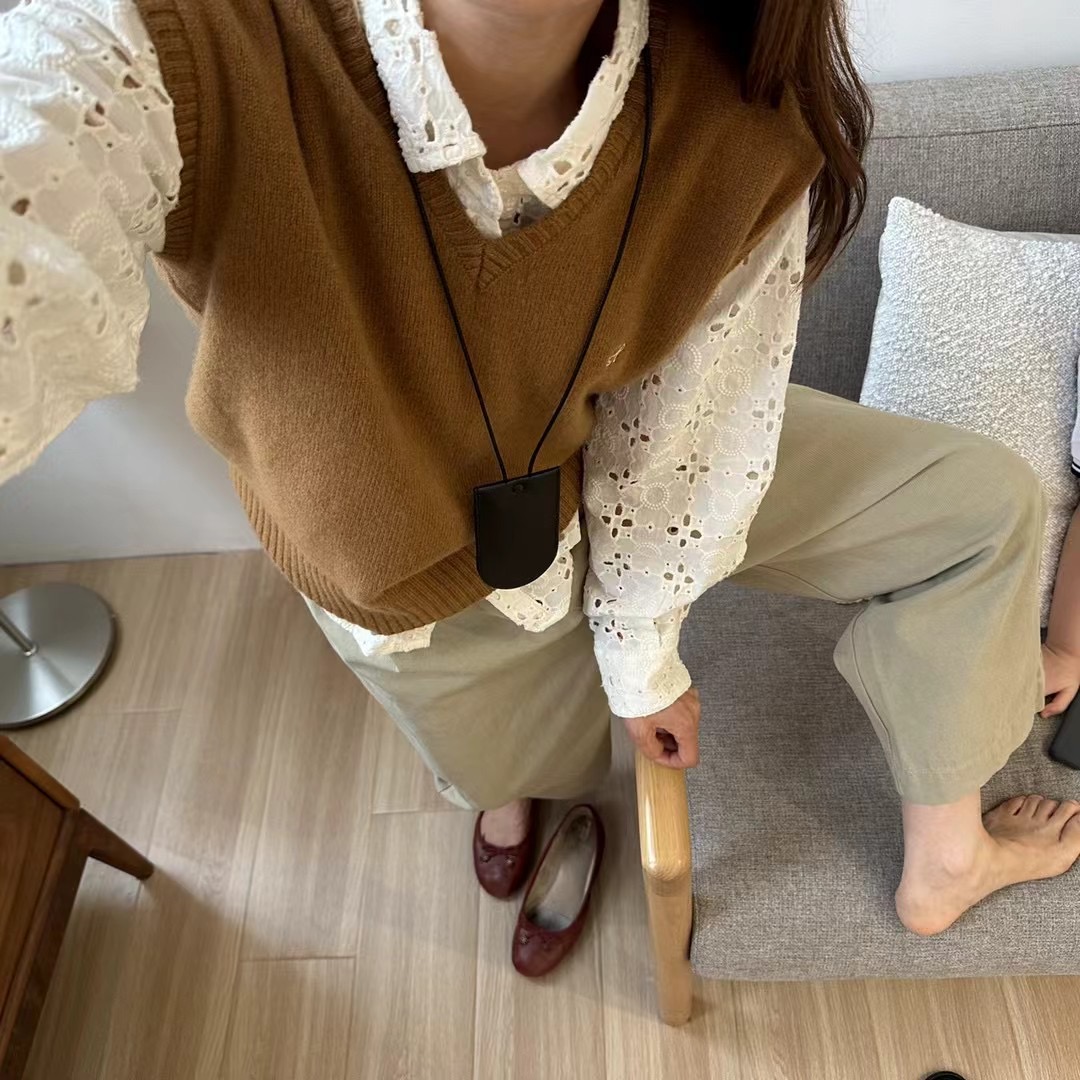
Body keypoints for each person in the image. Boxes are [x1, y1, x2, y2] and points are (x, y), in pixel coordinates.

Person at [2, 0, 1078, 962]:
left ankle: (946, 856)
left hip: (648, 452)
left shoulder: (747, 110)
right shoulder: (153, 45)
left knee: (978, 508)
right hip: (405, 555)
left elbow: (688, 417)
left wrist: (642, 650)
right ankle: (510, 794)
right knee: (517, 760)